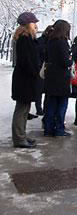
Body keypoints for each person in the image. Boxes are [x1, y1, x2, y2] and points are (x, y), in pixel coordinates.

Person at [11, 12, 41, 148]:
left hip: (26, 79)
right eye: (33, 22)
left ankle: (21, 135)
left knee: (25, 109)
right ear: (27, 24)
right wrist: (35, 72)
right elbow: (25, 61)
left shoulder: (28, 37)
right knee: (21, 110)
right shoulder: (24, 38)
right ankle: (19, 138)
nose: (36, 25)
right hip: (24, 80)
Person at [43, 19, 72, 137]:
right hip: (61, 78)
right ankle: (59, 129)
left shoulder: (50, 41)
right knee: (62, 104)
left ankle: (48, 128)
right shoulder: (62, 42)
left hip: (51, 77)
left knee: (51, 104)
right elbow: (65, 62)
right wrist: (71, 61)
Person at [33, 25, 53, 123]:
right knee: (39, 89)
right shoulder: (40, 41)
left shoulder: (52, 42)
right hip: (40, 67)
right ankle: (39, 108)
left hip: (48, 68)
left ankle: (44, 108)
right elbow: (37, 53)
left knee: (47, 90)